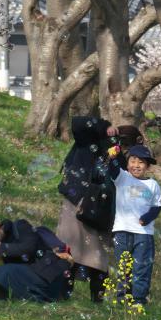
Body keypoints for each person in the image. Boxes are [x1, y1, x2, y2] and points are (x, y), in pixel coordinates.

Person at [57, 116, 123, 302]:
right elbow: (77, 123)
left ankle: (97, 300)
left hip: (99, 211)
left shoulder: (115, 151)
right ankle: (64, 295)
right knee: (69, 250)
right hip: (76, 201)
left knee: (98, 257)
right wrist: (105, 125)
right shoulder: (87, 141)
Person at [0, 215, 74, 303]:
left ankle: (44, 297)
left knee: (7, 271)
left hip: (50, 277)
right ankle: (31, 298)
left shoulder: (20, 226)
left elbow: (28, 248)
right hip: (29, 279)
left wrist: (1, 247)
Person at [108, 143, 161, 306]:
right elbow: (113, 170)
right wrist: (112, 158)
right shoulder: (123, 178)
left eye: (141, 162)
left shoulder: (153, 185)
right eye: (133, 161)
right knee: (123, 267)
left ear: (147, 166)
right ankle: (122, 297)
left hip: (144, 233)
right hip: (122, 231)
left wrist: (147, 217)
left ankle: (139, 299)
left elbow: (157, 206)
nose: (136, 165)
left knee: (142, 267)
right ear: (127, 163)